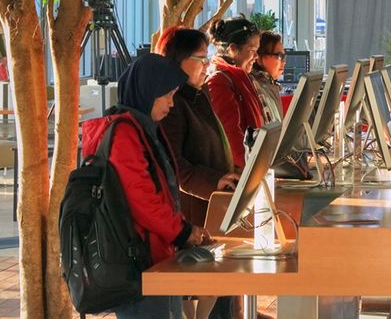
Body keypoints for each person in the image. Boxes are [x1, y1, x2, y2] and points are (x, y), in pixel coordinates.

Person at [81, 53, 207, 319]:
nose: (172, 104)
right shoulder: (126, 134)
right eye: (167, 96)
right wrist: (182, 232)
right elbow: (142, 200)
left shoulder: (145, 127)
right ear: (148, 91)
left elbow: (162, 191)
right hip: (138, 260)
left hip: (157, 254)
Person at [156, 26, 239, 319]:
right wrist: (215, 181)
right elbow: (173, 166)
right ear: (177, 60)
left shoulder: (197, 95)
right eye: (201, 58)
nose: (208, 65)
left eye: (209, 57)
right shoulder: (171, 104)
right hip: (193, 219)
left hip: (214, 214)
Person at [203, 17, 265, 167]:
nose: (256, 57)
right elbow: (231, 137)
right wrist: (250, 170)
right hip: (239, 173)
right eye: (252, 51)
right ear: (232, 49)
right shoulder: (219, 83)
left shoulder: (239, 78)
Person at [248, 30, 289, 122]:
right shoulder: (256, 89)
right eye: (279, 56)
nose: (284, 62)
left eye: (284, 56)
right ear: (259, 58)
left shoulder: (269, 85)